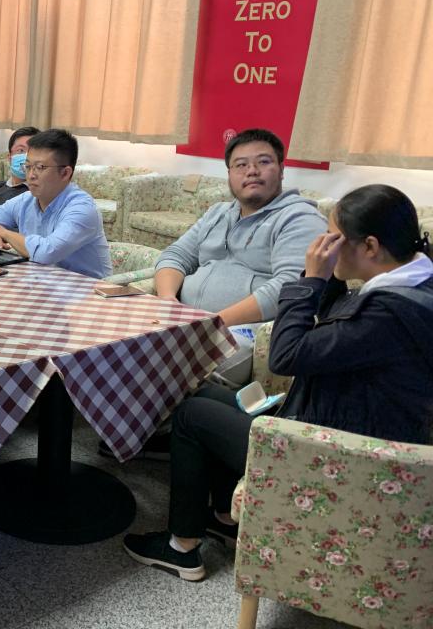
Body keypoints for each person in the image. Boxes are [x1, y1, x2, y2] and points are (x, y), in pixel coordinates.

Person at [123, 184, 433, 582]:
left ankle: (181, 547)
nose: (322, 246)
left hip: (336, 455)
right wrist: (326, 278)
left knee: (190, 415)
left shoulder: (388, 315)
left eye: (333, 238)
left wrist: (312, 279)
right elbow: (337, 320)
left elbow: (286, 356)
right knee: (209, 394)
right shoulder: (412, 285)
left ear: (370, 247)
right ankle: (223, 516)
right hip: (346, 422)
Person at [153, 128, 327, 388]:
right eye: (241, 165)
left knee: (160, 363)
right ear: (230, 174)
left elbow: (290, 286)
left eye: (263, 162)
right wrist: (168, 301)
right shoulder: (218, 213)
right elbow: (175, 255)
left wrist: (212, 324)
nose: (252, 171)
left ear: (281, 170)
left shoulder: (299, 218)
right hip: (189, 321)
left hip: (242, 330)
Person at [0, 129, 110, 278]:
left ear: (65, 173)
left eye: (40, 167)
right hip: (39, 282)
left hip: (85, 288)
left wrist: (3, 233)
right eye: (27, 166)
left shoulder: (82, 209)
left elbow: (47, 252)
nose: (31, 175)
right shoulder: (25, 200)